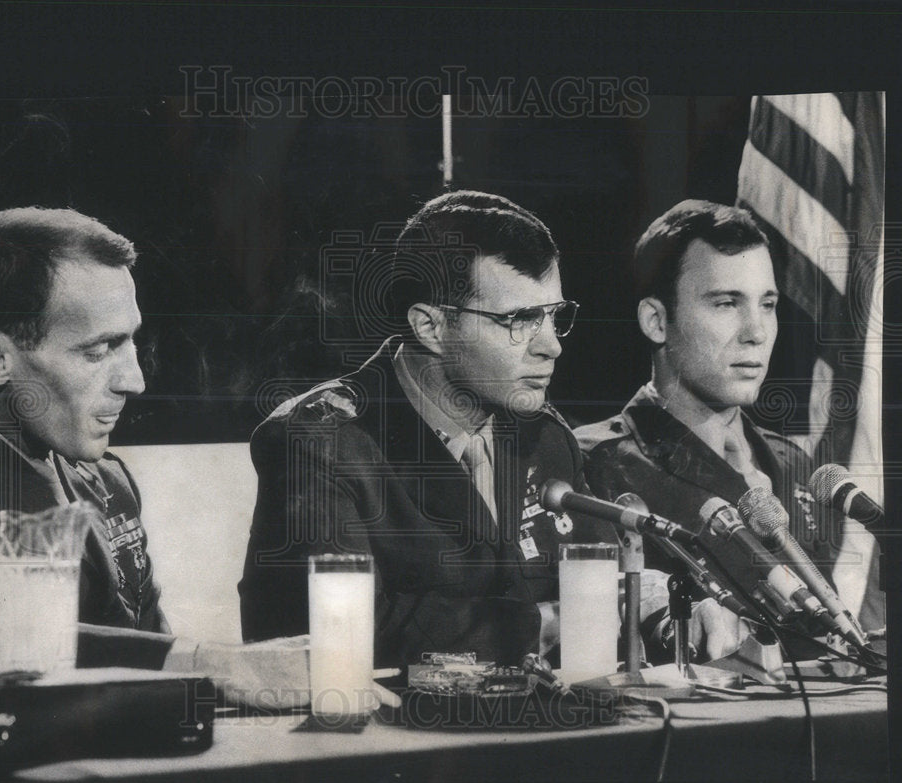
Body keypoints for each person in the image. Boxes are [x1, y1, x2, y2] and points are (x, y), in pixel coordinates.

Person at [241, 189, 633, 669]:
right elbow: (327, 641)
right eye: (519, 319)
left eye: (553, 315)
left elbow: (603, 596)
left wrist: (653, 613)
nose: (551, 346)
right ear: (430, 327)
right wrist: (543, 625)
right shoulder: (319, 442)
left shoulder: (545, 437)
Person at [575, 199, 832, 661]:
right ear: (657, 321)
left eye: (767, 304)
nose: (756, 331)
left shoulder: (792, 464)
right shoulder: (594, 464)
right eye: (726, 303)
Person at [0, 207, 168, 638]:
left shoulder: (110, 483)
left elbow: (163, 667)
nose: (135, 382)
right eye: (99, 350)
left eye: (131, 340)